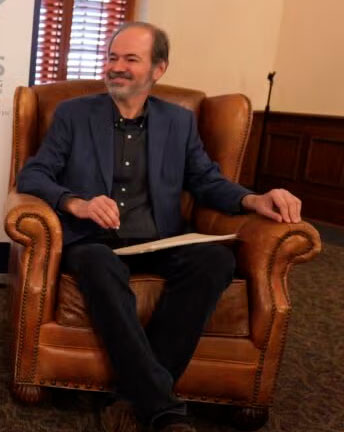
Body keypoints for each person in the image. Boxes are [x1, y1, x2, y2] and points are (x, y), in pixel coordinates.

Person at [17, 22, 302, 432]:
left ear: (158, 69)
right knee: (96, 263)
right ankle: (162, 410)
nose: (116, 67)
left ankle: (135, 399)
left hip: (159, 240)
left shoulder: (179, 122)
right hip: (95, 243)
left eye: (130, 59)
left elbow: (206, 180)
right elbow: (34, 175)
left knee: (215, 261)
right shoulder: (74, 114)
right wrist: (76, 203)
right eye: (113, 57)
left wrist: (254, 199)